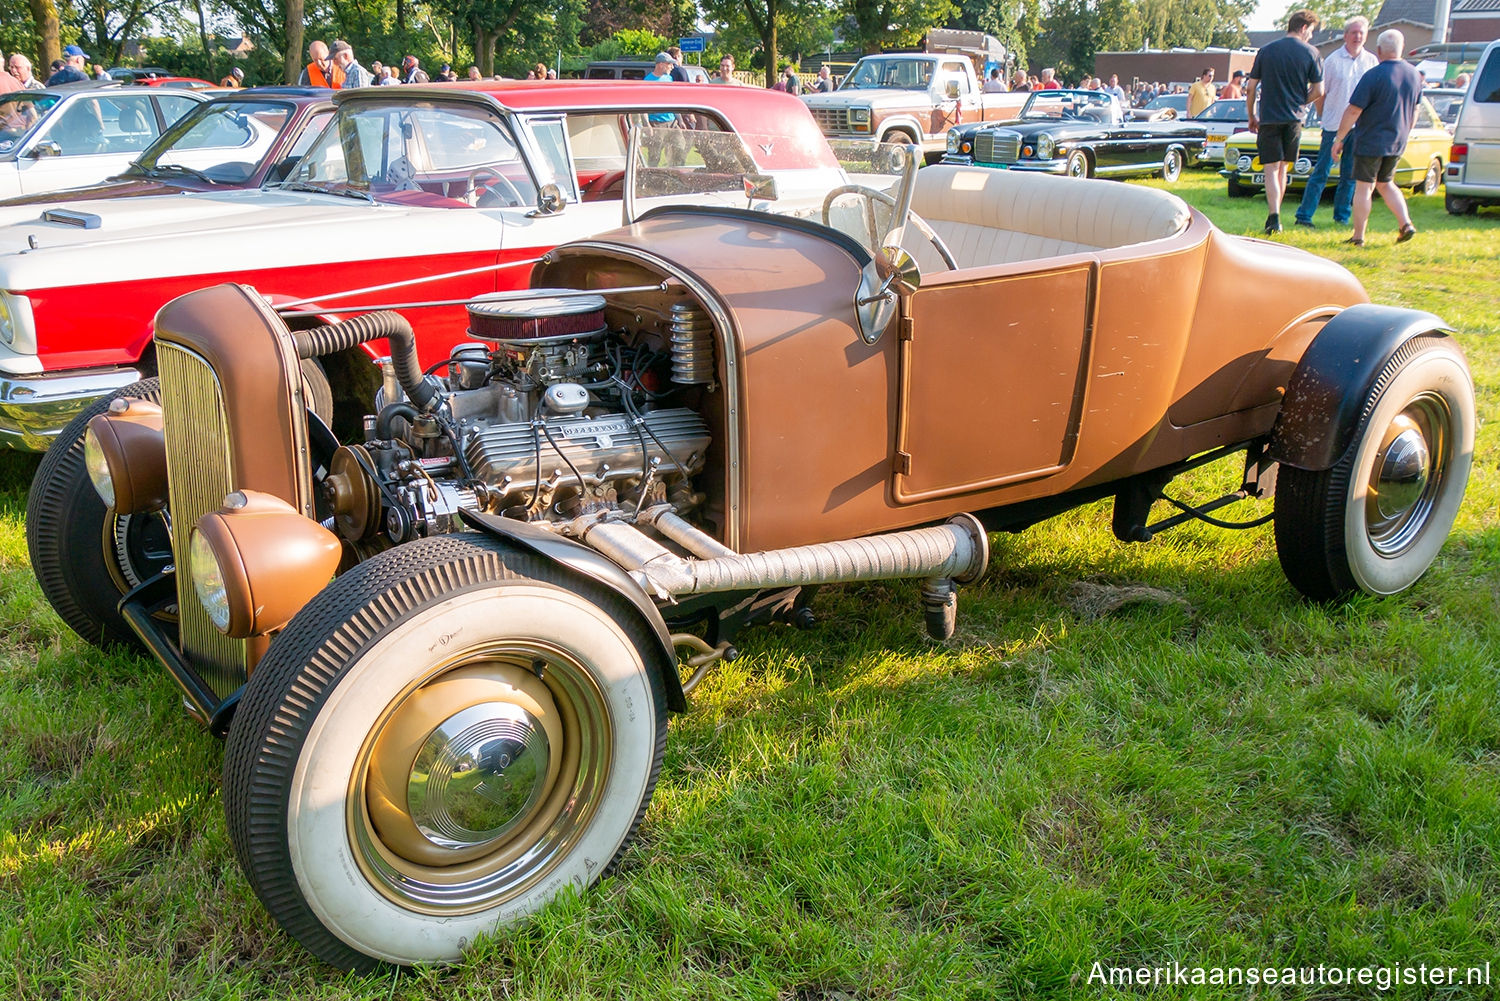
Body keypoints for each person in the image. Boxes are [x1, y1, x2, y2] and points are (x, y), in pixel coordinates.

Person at [1333, 29, 1422, 245]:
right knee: (1386, 183)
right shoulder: (1414, 75)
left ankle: (1358, 236)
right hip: (1397, 139)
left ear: (1380, 50)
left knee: (1364, 186)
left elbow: (1354, 110)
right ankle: (1405, 223)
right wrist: (1406, 132)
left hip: (1371, 140)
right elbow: (1416, 110)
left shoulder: (1373, 75)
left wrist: (1339, 138)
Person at [1245, 10, 1324, 234]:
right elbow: (1319, 90)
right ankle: (1276, 217)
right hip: (1293, 118)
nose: (1311, 36)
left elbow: (1251, 87)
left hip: (1269, 117)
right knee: (1283, 168)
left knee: (1270, 167)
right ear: (1303, 28)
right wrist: (1301, 101)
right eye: (1311, 31)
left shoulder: (1266, 51)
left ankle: (1274, 217)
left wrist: (1251, 115)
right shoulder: (1312, 53)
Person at [1294, 16, 1377, 229]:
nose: (1357, 36)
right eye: (1354, 32)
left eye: (1361, 33)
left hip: (1359, 127)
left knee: (1349, 176)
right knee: (1321, 171)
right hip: (1333, 126)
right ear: (1346, 35)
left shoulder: (1370, 62)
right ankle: (1304, 215)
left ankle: (1341, 216)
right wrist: (1324, 116)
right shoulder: (1332, 61)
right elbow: (1321, 93)